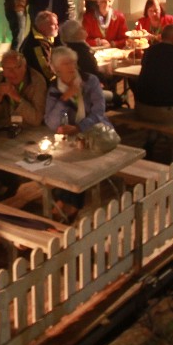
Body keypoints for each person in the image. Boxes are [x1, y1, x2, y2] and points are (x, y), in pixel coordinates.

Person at [44, 47, 111, 222]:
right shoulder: (54, 88)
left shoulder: (90, 81)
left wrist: (79, 127)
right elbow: (51, 122)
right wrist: (65, 98)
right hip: (69, 137)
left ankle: (68, 202)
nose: (72, 66)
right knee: (60, 157)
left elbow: (99, 113)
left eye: (73, 62)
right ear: (56, 69)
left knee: (78, 159)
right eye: (66, 63)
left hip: (96, 132)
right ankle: (65, 199)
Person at [0, 50, 47, 129]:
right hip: (4, 127)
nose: (12, 73)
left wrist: (17, 98)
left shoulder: (37, 81)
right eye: (7, 68)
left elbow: (36, 120)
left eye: (16, 67)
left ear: (25, 67)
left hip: (29, 128)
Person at [21, 10, 60, 84]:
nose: (57, 27)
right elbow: (46, 71)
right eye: (53, 25)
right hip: (37, 83)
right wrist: (60, 82)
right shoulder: (37, 44)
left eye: (57, 24)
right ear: (42, 27)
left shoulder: (45, 35)